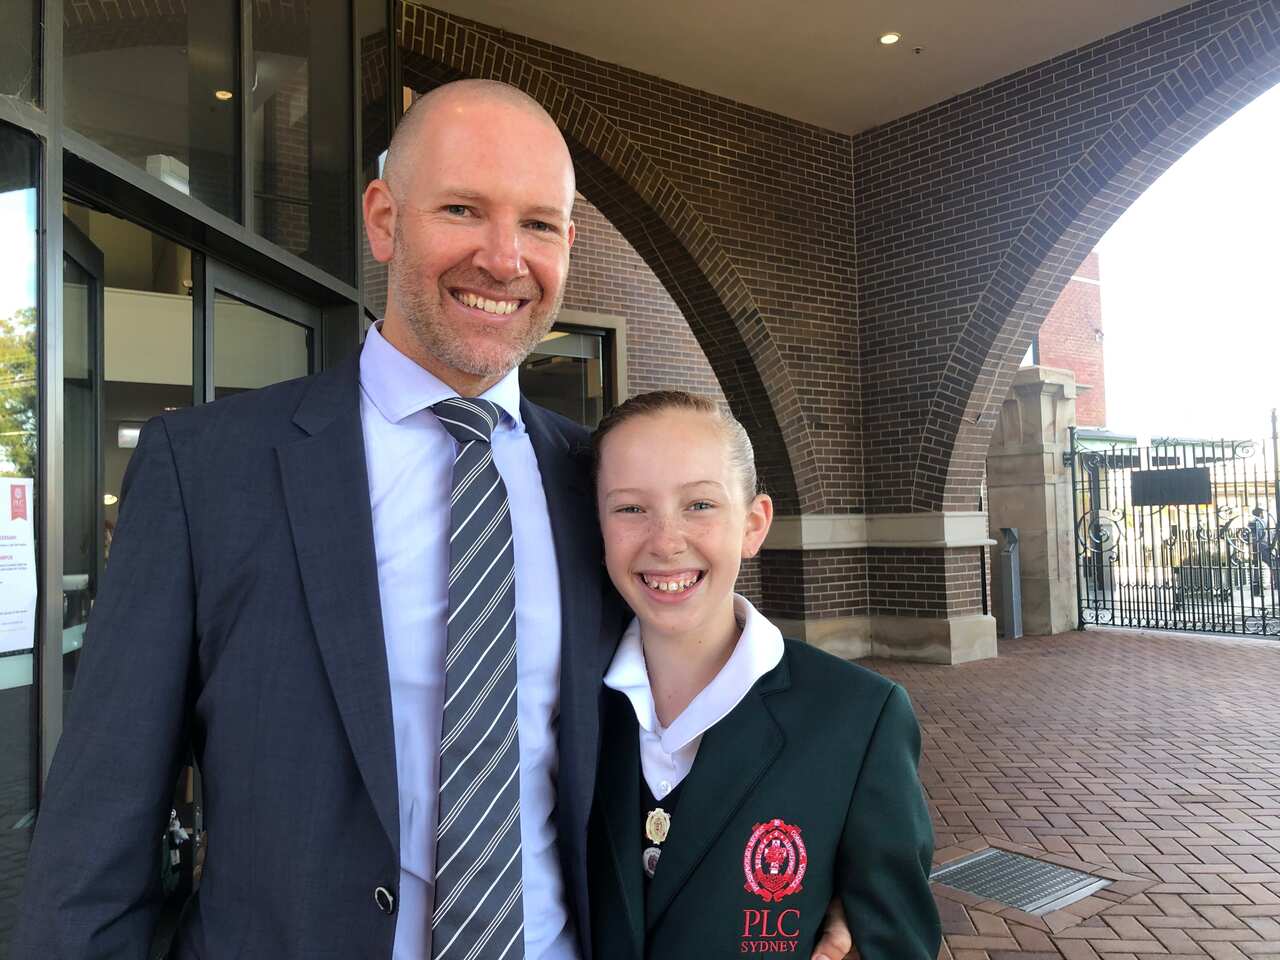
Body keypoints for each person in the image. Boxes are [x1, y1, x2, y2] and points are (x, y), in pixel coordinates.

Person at [15, 80, 854, 960]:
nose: (503, 259)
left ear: (567, 246)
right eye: (462, 208)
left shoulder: (599, 486)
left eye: (538, 225)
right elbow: (96, 838)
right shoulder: (208, 471)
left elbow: (705, 711)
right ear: (384, 219)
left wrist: (823, 880)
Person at [588, 391, 941, 959]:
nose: (665, 540)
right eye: (630, 508)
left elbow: (893, 940)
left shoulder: (857, 719)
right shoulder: (563, 703)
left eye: (700, 505)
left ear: (753, 525)